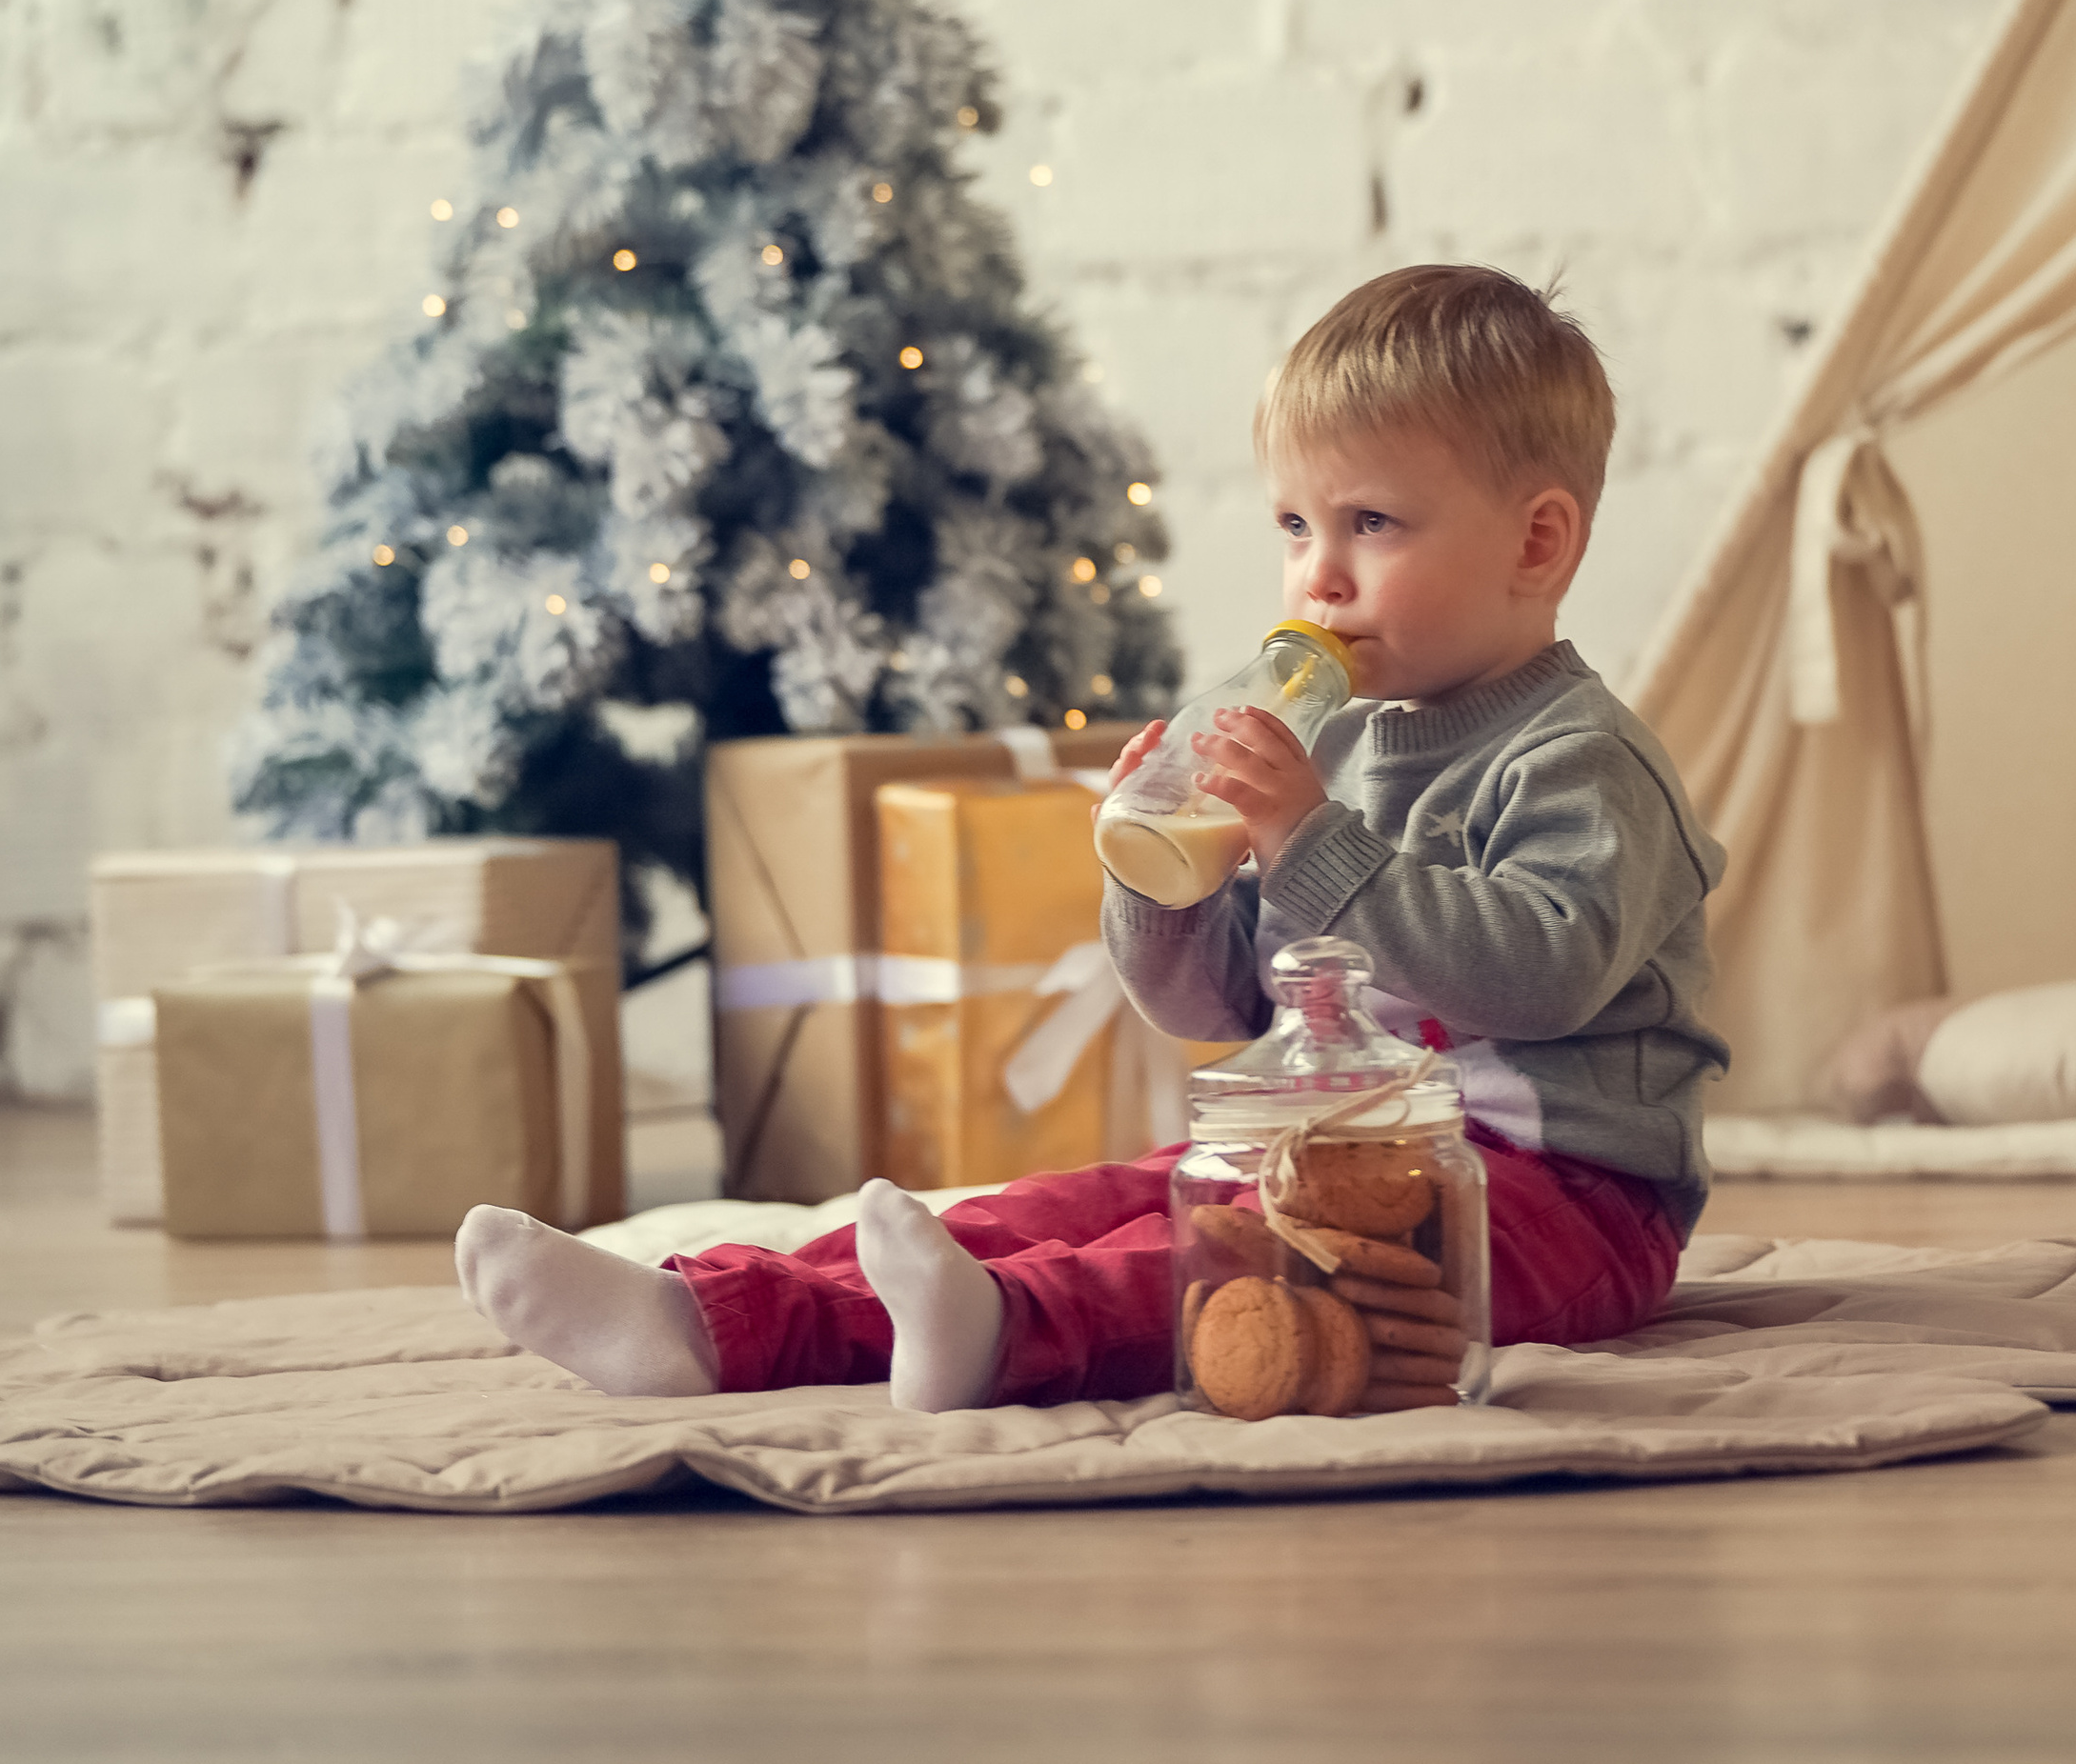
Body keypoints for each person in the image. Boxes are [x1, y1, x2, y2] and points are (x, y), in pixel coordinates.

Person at [454, 264, 1727, 1411]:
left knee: (1203, 1264)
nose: (1318, 579)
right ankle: (710, 1315)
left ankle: (1001, 1336)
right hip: (1334, 1143)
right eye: (1295, 527)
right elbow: (1216, 1003)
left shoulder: (1579, 762)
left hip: (1560, 1196)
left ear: (1537, 541)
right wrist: (1162, 880)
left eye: (1371, 527)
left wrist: (1312, 843)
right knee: (1066, 1204)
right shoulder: (1330, 750)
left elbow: (1541, 977)